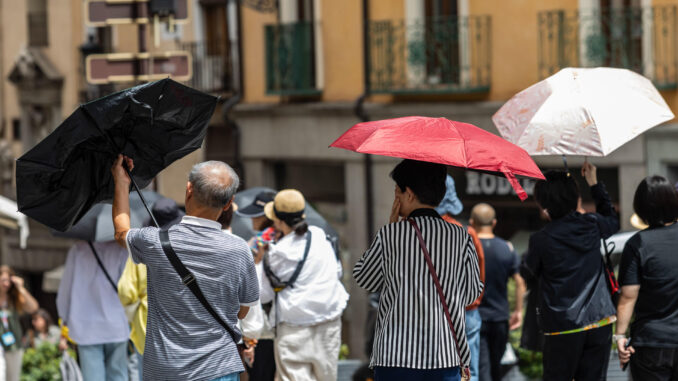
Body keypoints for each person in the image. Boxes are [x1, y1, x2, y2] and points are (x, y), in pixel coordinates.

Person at [112, 156, 259, 381]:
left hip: (166, 370)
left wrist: (121, 183)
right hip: (219, 368)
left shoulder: (154, 242)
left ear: (188, 189)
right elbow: (243, 310)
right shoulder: (240, 249)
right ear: (229, 203)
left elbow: (121, 233)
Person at [354, 159, 483, 381]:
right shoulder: (461, 236)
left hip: (395, 356)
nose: (396, 199)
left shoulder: (391, 235)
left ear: (410, 194)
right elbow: (472, 293)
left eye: (398, 193)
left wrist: (391, 229)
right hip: (445, 355)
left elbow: (365, 279)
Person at [522, 162, 618, 380]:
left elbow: (529, 274)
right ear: (576, 198)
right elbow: (612, 220)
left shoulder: (541, 239)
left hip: (561, 325)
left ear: (543, 204)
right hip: (599, 320)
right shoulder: (592, 224)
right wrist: (593, 183)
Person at [257, 189, 348, 381]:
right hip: (328, 324)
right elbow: (337, 272)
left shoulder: (276, 254)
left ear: (279, 221)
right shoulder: (320, 236)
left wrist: (259, 261)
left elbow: (263, 295)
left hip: (293, 329)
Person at [616, 175, 678, 379]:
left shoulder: (637, 244)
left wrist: (620, 336)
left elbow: (628, 297)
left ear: (641, 207)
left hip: (650, 343)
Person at [118, 197, 184, 381]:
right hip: (182, 331)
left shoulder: (143, 249)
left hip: (148, 330)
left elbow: (125, 291)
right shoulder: (185, 245)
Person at [57, 239, 130, 381]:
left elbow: (65, 288)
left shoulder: (78, 250)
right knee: (118, 375)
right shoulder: (121, 250)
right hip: (117, 322)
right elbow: (127, 288)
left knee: (93, 377)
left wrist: (63, 318)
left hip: (86, 325)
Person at [436, 175, 485, 381]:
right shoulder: (467, 231)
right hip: (466, 312)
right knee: (469, 373)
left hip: (432, 313)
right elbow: (479, 272)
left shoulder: (414, 231)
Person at [470, 203, 525, 381]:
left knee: (480, 367)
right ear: (494, 223)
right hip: (500, 318)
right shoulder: (506, 248)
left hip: (474, 316)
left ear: (471, 222)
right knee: (496, 368)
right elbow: (519, 281)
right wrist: (518, 311)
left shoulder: (467, 247)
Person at [235, 191, 277, 381]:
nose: (252, 219)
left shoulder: (260, 241)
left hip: (262, 327)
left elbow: (250, 281)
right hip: (278, 324)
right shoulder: (282, 236)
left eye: (257, 215)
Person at [0, 266, 38, 381]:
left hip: (13, 344)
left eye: (8, 280)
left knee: (13, 378)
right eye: (3, 280)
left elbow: (33, 308)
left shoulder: (14, 299)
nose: (6, 284)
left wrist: (21, 288)